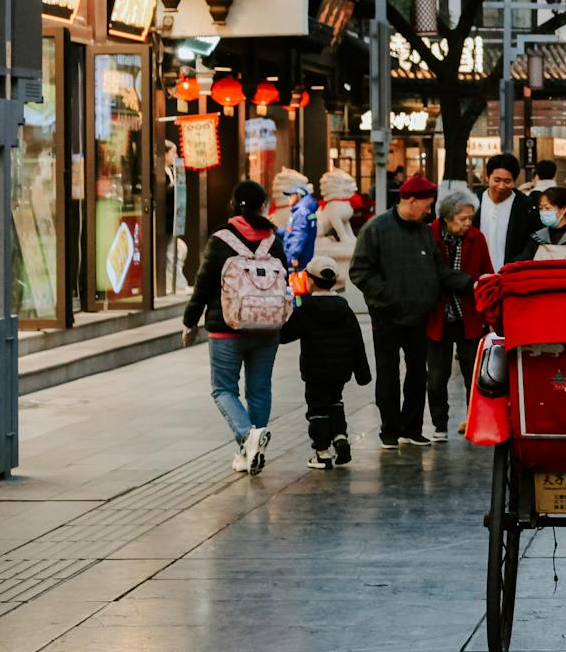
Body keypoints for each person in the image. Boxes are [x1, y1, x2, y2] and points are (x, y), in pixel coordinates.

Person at [182, 180, 284, 474]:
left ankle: (247, 436)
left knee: (223, 389)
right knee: (260, 390)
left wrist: (190, 322)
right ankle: (251, 451)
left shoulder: (221, 240)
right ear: (263, 206)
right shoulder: (273, 241)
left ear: (233, 204)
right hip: (268, 329)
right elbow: (284, 282)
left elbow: (202, 286)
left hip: (226, 328)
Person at [349, 174, 442, 448]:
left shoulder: (425, 232)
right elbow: (359, 271)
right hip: (386, 315)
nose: (429, 210)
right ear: (410, 200)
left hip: (419, 315)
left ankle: (412, 427)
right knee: (388, 373)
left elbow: (436, 269)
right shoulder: (376, 229)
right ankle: (389, 429)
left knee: (417, 373)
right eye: (426, 204)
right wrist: (388, 296)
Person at [282, 255, 371, 469]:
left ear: (310, 280)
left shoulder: (306, 310)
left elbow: (284, 336)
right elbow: (357, 340)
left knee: (317, 408)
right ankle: (340, 436)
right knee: (335, 401)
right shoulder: (344, 307)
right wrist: (362, 373)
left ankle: (322, 452)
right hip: (340, 370)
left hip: (315, 371)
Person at [428, 186, 496, 438]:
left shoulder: (476, 238)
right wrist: (469, 282)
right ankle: (439, 424)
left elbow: (486, 275)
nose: (468, 223)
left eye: (470, 218)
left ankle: (473, 420)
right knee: (436, 376)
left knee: (473, 373)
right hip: (438, 317)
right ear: (447, 218)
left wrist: (489, 315)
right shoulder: (430, 236)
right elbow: (434, 274)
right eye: (462, 219)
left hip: (469, 316)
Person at [474, 155, 535, 272]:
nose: (501, 186)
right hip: (477, 275)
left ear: (514, 181)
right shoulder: (473, 201)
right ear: (487, 177)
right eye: (496, 180)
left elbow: (531, 240)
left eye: (507, 181)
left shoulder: (525, 205)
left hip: (511, 273)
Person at [513, 185, 566, 261]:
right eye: (541, 208)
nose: (543, 212)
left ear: (563, 209)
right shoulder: (537, 238)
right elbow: (522, 260)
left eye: (547, 208)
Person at [281, 177, 319, 272]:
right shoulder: (302, 211)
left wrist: (292, 256)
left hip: (297, 261)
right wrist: (275, 230)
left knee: (295, 285)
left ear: (298, 195)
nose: (288, 198)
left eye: (291, 195)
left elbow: (299, 235)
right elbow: (290, 231)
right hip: (301, 258)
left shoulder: (301, 212)